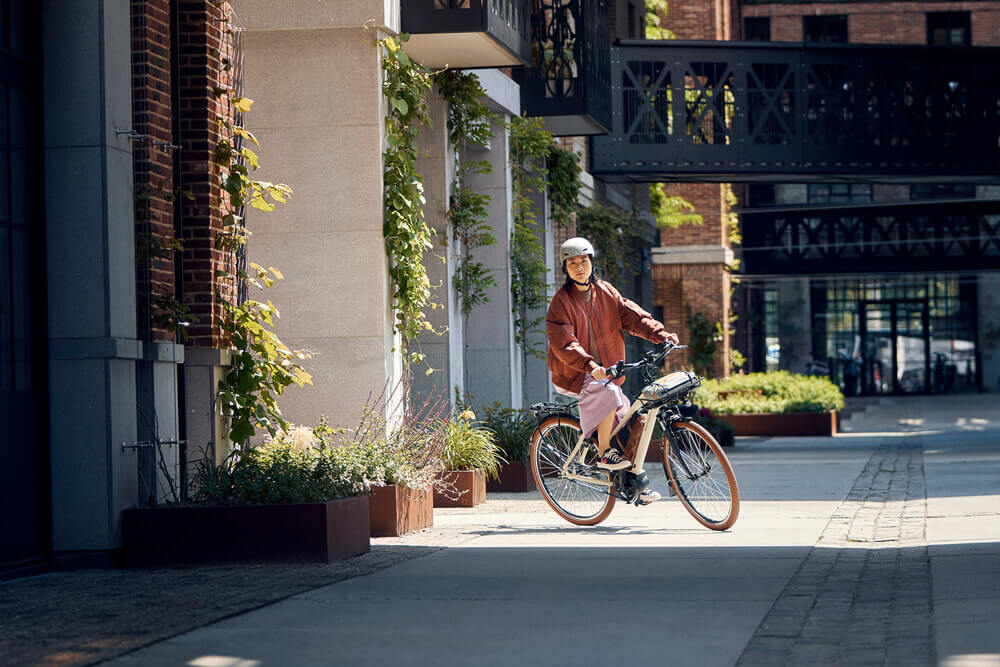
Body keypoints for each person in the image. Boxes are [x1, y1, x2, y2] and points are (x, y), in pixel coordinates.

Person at [546, 237, 680, 505]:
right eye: (572, 263)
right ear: (565, 268)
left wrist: (662, 335)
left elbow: (634, 317)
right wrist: (590, 364)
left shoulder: (606, 292)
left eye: (583, 261)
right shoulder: (561, 303)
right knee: (610, 394)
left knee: (629, 418)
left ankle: (635, 486)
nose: (579, 267)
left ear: (592, 263)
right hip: (577, 372)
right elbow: (565, 342)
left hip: (605, 373)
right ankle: (605, 451)